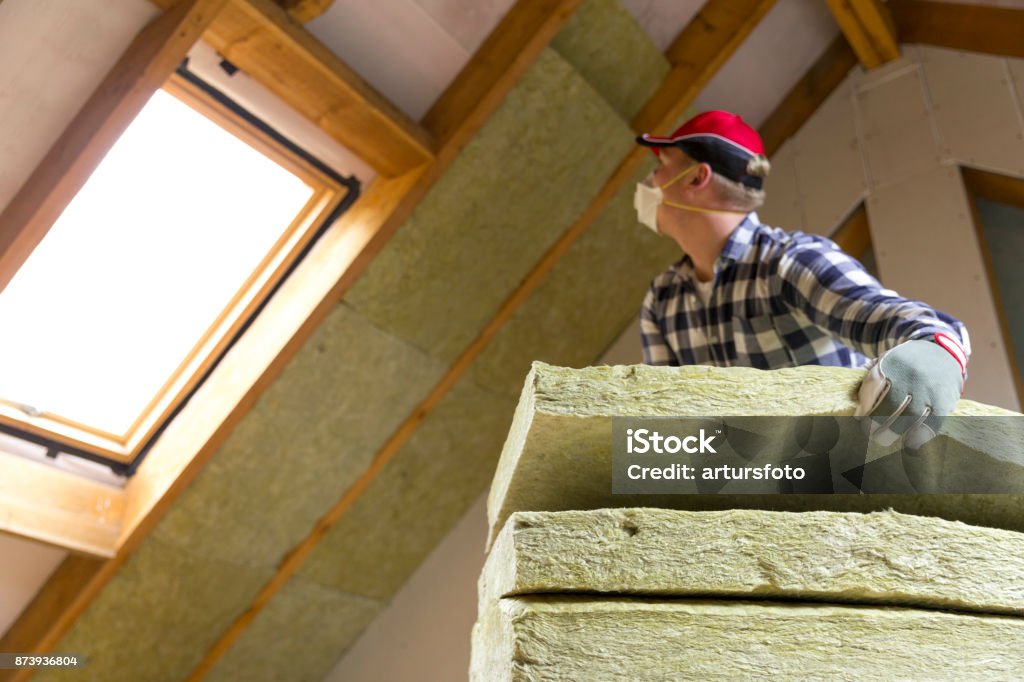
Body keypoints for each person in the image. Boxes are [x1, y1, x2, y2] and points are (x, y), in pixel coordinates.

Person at [634, 110, 970, 447]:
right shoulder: (661, 301)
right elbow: (667, 417)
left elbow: (904, 321)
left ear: (695, 178)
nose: (650, 182)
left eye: (660, 165)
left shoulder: (788, 262)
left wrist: (935, 353)